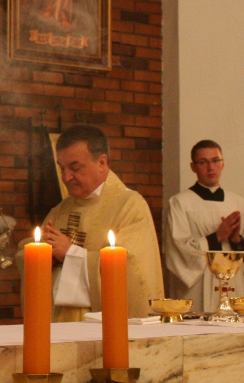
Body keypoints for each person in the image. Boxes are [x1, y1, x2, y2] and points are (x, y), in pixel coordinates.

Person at [15, 124, 164, 320]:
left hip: (103, 326)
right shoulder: (61, 209)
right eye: (62, 168)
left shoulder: (129, 206)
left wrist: (70, 253)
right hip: (57, 323)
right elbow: (26, 256)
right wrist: (43, 255)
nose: (66, 177)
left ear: (102, 162)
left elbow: (133, 270)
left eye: (75, 168)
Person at [163, 140, 244, 313]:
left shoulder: (239, 203)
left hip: (234, 282)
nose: (210, 168)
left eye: (215, 161)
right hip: (198, 285)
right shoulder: (180, 203)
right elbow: (177, 250)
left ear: (223, 164)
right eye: (203, 162)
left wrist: (237, 240)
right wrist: (217, 237)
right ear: (193, 167)